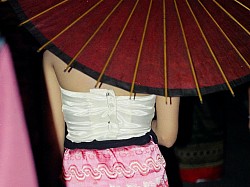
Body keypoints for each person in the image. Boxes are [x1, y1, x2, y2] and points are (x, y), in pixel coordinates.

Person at [43, 50, 180, 186]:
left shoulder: (53, 55)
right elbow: (166, 136)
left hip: (81, 174)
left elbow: (54, 145)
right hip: (140, 173)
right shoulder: (161, 56)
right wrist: (136, 124)